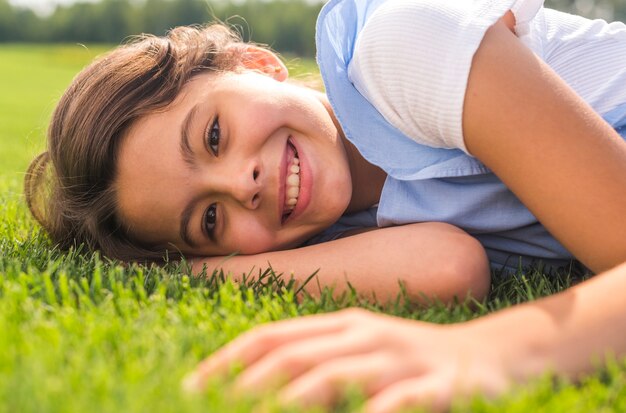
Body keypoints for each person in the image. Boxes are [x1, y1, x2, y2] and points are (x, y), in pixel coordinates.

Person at [22, 0, 626, 408]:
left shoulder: (398, 51)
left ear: (254, 64)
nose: (242, 185)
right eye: (210, 220)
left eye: (212, 136)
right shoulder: (329, 227)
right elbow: (449, 266)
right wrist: (202, 271)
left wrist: (491, 350)